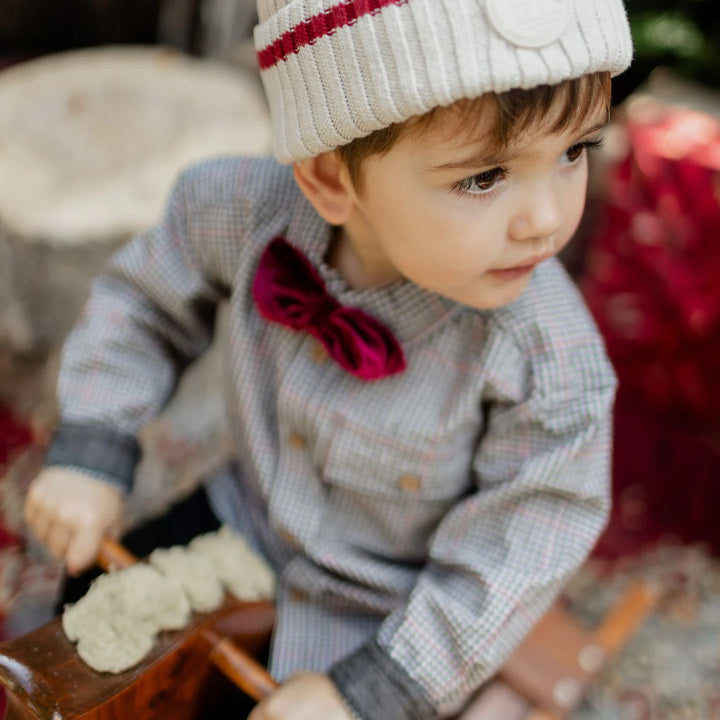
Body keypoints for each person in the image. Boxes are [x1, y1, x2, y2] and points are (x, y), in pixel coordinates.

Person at [24, 1, 633, 718]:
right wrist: (92, 449)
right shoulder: (239, 210)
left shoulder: (548, 359)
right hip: (248, 517)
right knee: (85, 624)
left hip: (398, 609)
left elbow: (520, 548)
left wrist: (367, 691)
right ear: (330, 179)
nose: (547, 219)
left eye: (573, 152)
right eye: (484, 178)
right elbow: (142, 304)